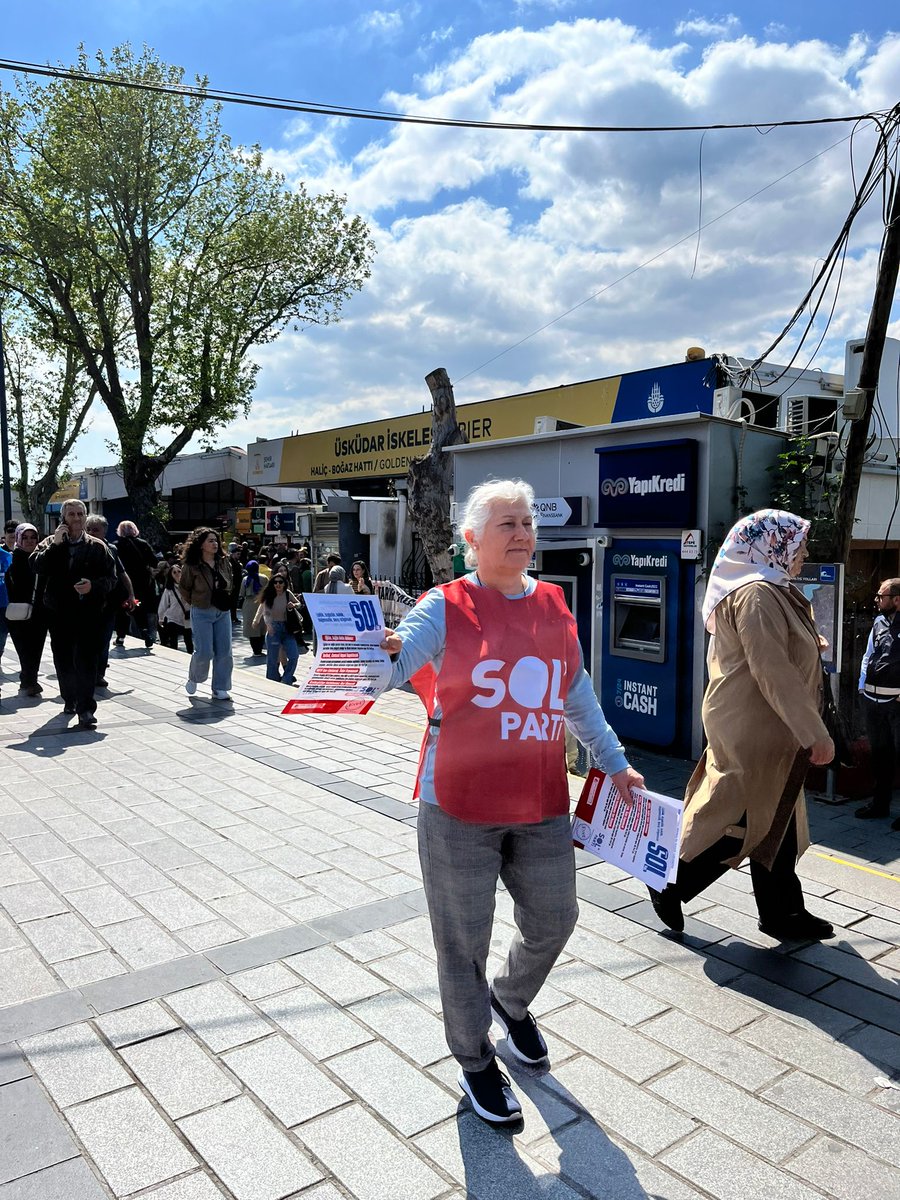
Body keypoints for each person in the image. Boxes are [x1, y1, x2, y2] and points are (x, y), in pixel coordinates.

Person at [380, 478, 643, 1126]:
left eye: (527, 522)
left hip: (540, 802)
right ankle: (474, 1060)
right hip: (458, 807)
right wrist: (378, 650)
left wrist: (615, 764)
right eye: (506, 524)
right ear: (471, 540)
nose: (523, 533)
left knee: (556, 918)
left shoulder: (553, 606)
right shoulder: (445, 606)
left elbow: (575, 694)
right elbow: (393, 663)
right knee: (462, 943)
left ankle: (511, 1000)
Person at [648, 509, 835, 943]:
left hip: (774, 728)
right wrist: (815, 734)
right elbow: (772, 669)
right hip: (756, 728)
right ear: (771, 546)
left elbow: (778, 654)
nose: (804, 553)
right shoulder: (755, 594)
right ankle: (672, 882)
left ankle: (783, 911)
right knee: (744, 819)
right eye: (798, 544)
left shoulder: (772, 590)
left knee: (780, 818)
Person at [32, 500, 116, 729]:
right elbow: (36, 567)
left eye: (80, 514)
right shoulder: (50, 542)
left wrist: (93, 586)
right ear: (63, 517)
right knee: (64, 659)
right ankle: (69, 698)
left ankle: (86, 709)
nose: (76, 518)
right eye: (71, 514)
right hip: (59, 612)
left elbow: (111, 578)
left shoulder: (98, 546)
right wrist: (55, 545)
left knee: (87, 660)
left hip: (88, 612)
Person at [856, 577, 900, 830]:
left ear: (896, 599)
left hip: (896, 701)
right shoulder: (879, 622)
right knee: (880, 755)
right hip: (873, 699)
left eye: (881, 596)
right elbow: (868, 654)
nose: (877, 600)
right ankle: (879, 804)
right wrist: (862, 685)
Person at [178, 527, 234, 701]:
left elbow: (231, 580)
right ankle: (195, 677)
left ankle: (220, 688)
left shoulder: (223, 561)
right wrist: (195, 602)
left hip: (222, 610)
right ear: (200, 544)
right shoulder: (191, 565)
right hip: (201, 610)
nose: (215, 543)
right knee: (204, 652)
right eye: (210, 540)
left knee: (224, 651)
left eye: (216, 540)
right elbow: (184, 588)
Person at [84, 514, 133, 688]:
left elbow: (121, 573)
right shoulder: (80, 547)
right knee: (87, 640)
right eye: (88, 529)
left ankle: (99, 674)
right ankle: (86, 672)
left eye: (95, 530)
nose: (91, 532)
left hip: (108, 603)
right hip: (85, 603)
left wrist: (131, 594)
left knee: (104, 640)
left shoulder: (111, 549)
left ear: (104, 531)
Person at [3, 524, 47, 696]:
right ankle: (29, 680)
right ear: (18, 538)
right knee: (23, 648)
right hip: (17, 611)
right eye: (25, 537)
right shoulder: (11, 559)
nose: (30, 541)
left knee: (37, 647)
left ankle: (30, 680)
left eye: (33, 537)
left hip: (39, 610)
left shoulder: (41, 558)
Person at [114, 521, 159, 648]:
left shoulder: (116, 546)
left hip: (124, 583)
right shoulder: (143, 544)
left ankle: (120, 637)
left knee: (123, 610)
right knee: (139, 608)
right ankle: (145, 632)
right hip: (143, 583)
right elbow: (155, 562)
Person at [253, 574, 303, 685]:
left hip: (288, 628)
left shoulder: (287, 594)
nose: (278, 584)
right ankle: (273, 681)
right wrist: (268, 625)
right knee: (272, 659)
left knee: (294, 656)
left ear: (284, 583)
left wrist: (294, 605)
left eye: (280, 582)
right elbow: (265, 612)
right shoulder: (269, 595)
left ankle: (287, 678)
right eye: (275, 582)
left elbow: (299, 604)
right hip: (274, 628)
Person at [158, 564, 193, 651]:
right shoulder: (169, 589)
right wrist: (161, 617)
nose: (177, 574)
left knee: (188, 641)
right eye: (174, 572)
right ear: (171, 575)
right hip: (173, 618)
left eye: (179, 571)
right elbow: (164, 604)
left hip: (187, 618)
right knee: (173, 641)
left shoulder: (189, 586)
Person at [239, 561, 266, 655]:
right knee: (262, 626)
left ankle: (255, 650)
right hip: (261, 602)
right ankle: (260, 648)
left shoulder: (245, 579)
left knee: (251, 627)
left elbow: (242, 593)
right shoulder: (263, 578)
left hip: (249, 603)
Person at [0, 517, 15, 661]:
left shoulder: (24, 552)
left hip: (17, 601)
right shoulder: (2, 553)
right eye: (9, 536)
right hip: (2, 600)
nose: (12, 539)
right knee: (2, 633)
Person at [227, 543, 245, 623]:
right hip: (232, 585)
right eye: (237, 554)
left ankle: (233, 617)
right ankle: (232, 617)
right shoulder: (229, 562)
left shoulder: (236, 562)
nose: (239, 555)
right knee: (231, 602)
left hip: (237, 584)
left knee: (234, 602)